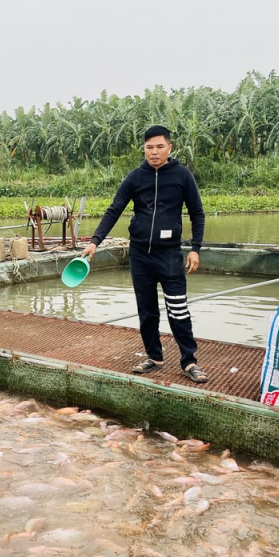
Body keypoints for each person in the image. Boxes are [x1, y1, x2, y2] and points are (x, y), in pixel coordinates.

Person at [80, 125, 209, 383]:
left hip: (170, 254)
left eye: (160, 146)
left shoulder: (182, 175)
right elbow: (114, 209)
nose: (154, 152)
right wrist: (95, 241)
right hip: (140, 255)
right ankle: (155, 357)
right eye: (149, 147)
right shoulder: (135, 177)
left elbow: (197, 213)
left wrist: (195, 249)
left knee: (178, 310)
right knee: (147, 310)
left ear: (169, 148)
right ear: (144, 149)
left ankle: (189, 361)